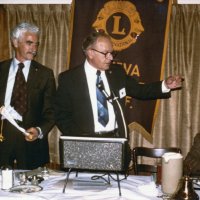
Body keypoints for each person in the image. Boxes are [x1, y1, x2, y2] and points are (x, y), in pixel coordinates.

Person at [54, 31, 182, 169]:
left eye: (112, 53)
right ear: (90, 53)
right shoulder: (69, 79)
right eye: (105, 53)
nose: (110, 58)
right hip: (85, 146)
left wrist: (165, 85)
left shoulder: (117, 73)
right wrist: (81, 139)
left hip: (115, 144)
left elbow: (140, 91)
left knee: (117, 188)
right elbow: (61, 115)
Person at [0, 22, 56, 169]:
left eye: (36, 44)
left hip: (31, 143)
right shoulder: (1, 69)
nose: (34, 49)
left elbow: (52, 111)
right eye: (29, 43)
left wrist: (39, 130)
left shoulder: (45, 74)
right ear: (15, 42)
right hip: (2, 138)